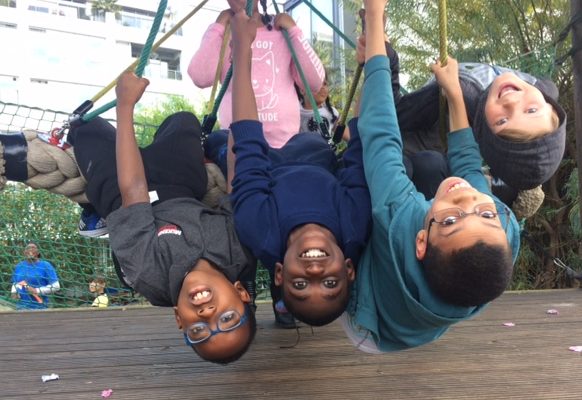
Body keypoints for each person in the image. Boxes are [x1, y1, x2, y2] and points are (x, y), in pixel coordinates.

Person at [341, 0, 520, 353]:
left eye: (452, 218)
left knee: (365, 185)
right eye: (485, 214)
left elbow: (380, 136)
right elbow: (468, 168)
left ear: (420, 241)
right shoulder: (501, 232)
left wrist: (374, 16)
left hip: (368, 325)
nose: (468, 199)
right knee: (428, 165)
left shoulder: (399, 220)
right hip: (425, 321)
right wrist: (453, 93)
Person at [63, 72, 257, 364]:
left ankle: (95, 211)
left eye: (199, 330)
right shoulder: (238, 251)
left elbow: (134, 190)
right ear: (240, 291)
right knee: (183, 120)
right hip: (180, 184)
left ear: (180, 318)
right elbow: (238, 183)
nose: (207, 315)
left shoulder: (149, 273)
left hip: (121, 190)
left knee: (86, 127)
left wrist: (125, 105)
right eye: (227, 318)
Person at [227, 2, 371, 327]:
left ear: (280, 272)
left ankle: (279, 305)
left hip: (267, 160)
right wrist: (374, 44)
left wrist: (242, 49)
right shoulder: (354, 224)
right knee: (317, 142)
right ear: (348, 269)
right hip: (318, 153)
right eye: (331, 284)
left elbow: (249, 140)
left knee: (224, 147)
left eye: (300, 284)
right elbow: (361, 144)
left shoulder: (260, 228)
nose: (316, 273)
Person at [392, 42, 566, 210]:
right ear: (551, 106)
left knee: (425, 164)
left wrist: (384, 53)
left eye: (502, 121)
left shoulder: (457, 95)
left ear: (484, 133)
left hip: (402, 142)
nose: (511, 101)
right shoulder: (543, 88)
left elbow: (395, 112)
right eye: (531, 110)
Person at [189, 0, 325, 183]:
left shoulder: (281, 32)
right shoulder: (226, 34)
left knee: (313, 143)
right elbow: (200, 76)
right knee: (215, 140)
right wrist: (219, 25)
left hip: (284, 144)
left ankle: (268, 165)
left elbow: (314, 82)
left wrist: (293, 30)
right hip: (236, 146)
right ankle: (263, 166)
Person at [11, 242, 60, 310]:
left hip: (40, 308)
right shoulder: (19, 266)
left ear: (38, 252)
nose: (31, 250)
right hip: (20, 308)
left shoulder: (46, 265)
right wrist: (14, 292)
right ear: (24, 252)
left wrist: (37, 290)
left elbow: (56, 286)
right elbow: (15, 282)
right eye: (28, 248)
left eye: (33, 248)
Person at [296, 70, 341, 140]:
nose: (322, 87)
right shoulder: (295, 112)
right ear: (302, 90)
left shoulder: (331, 113)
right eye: (318, 83)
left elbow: (349, 137)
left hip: (324, 150)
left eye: (325, 84)